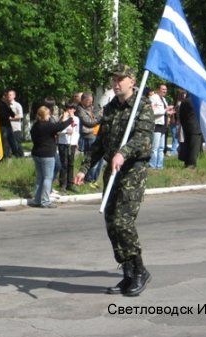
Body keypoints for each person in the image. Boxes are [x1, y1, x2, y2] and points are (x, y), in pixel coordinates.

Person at [75, 64, 154, 296]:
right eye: (114, 79)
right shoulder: (110, 108)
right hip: (113, 170)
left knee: (123, 222)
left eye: (121, 79)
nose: (116, 83)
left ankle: (140, 271)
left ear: (132, 81)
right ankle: (128, 272)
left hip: (132, 170)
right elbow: (100, 143)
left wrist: (123, 152)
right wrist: (85, 168)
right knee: (111, 223)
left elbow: (142, 137)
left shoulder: (143, 105)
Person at [30, 105, 74, 208]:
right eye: (48, 114)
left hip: (36, 153)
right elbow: (60, 127)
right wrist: (70, 118)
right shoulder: (47, 126)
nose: (49, 116)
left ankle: (37, 200)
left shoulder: (35, 125)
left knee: (40, 177)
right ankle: (45, 201)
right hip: (47, 154)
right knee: (47, 178)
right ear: (44, 115)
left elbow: (56, 127)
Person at [76, 93, 102, 187]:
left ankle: (94, 179)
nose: (91, 103)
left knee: (100, 160)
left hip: (97, 134)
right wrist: (100, 117)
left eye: (92, 101)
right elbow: (89, 122)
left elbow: (95, 117)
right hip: (89, 135)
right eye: (88, 101)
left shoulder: (92, 108)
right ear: (83, 100)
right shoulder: (79, 109)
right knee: (91, 158)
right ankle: (88, 180)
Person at [149, 84, 174, 169]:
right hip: (157, 125)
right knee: (155, 147)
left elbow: (163, 111)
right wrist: (165, 110)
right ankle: (152, 165)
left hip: (163, 125)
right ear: (158, 89)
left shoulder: (164, 99)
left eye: (166, 89)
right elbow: (153, 111)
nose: (165, 91)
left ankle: (160, 165)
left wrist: (169, 112)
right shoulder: (153, 98)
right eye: (163, 89)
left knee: (161, 147)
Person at [57, 103, 80, 193]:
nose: (70, 110)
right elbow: (58, 130)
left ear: (74, 110)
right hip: (63, 142)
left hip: (72, 143)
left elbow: (77, 131)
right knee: (64, 163)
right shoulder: (62, 118)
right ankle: (63, 184)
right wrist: (65, 132)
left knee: (71, 163)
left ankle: (70, 183)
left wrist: (76, 141)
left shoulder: (77, 119)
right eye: (68, 108)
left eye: (72, 108)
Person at [179, 94, 202, 169]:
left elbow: (181, 115)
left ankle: (187, 163)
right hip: (195, 126)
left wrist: (184, 125)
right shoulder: (195, 101)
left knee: (188, 145)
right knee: (194, 147)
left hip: (187, 126)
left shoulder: (184, 101)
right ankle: (191, 165)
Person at [0, 91, 17, 159]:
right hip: (2, 125)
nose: (8, 98)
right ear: (3, 97)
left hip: (7, 125)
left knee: (11, 140)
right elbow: (2, 115)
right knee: (4, 141)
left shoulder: (6, 104)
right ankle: (4, 156)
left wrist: (8, 106)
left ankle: (15, 154)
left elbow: (13, 115)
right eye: (7, 96)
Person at [8, 89, 25, 157]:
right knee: (8, 143)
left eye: (10, 95)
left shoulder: (17, 105)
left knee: (17, 143)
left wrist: (10, 118)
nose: (8, 96)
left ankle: (21, 156)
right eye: (7, 95)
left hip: (15, 128)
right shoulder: (6, 105)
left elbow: (20, 116)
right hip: (8, 128)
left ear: (14, 96)